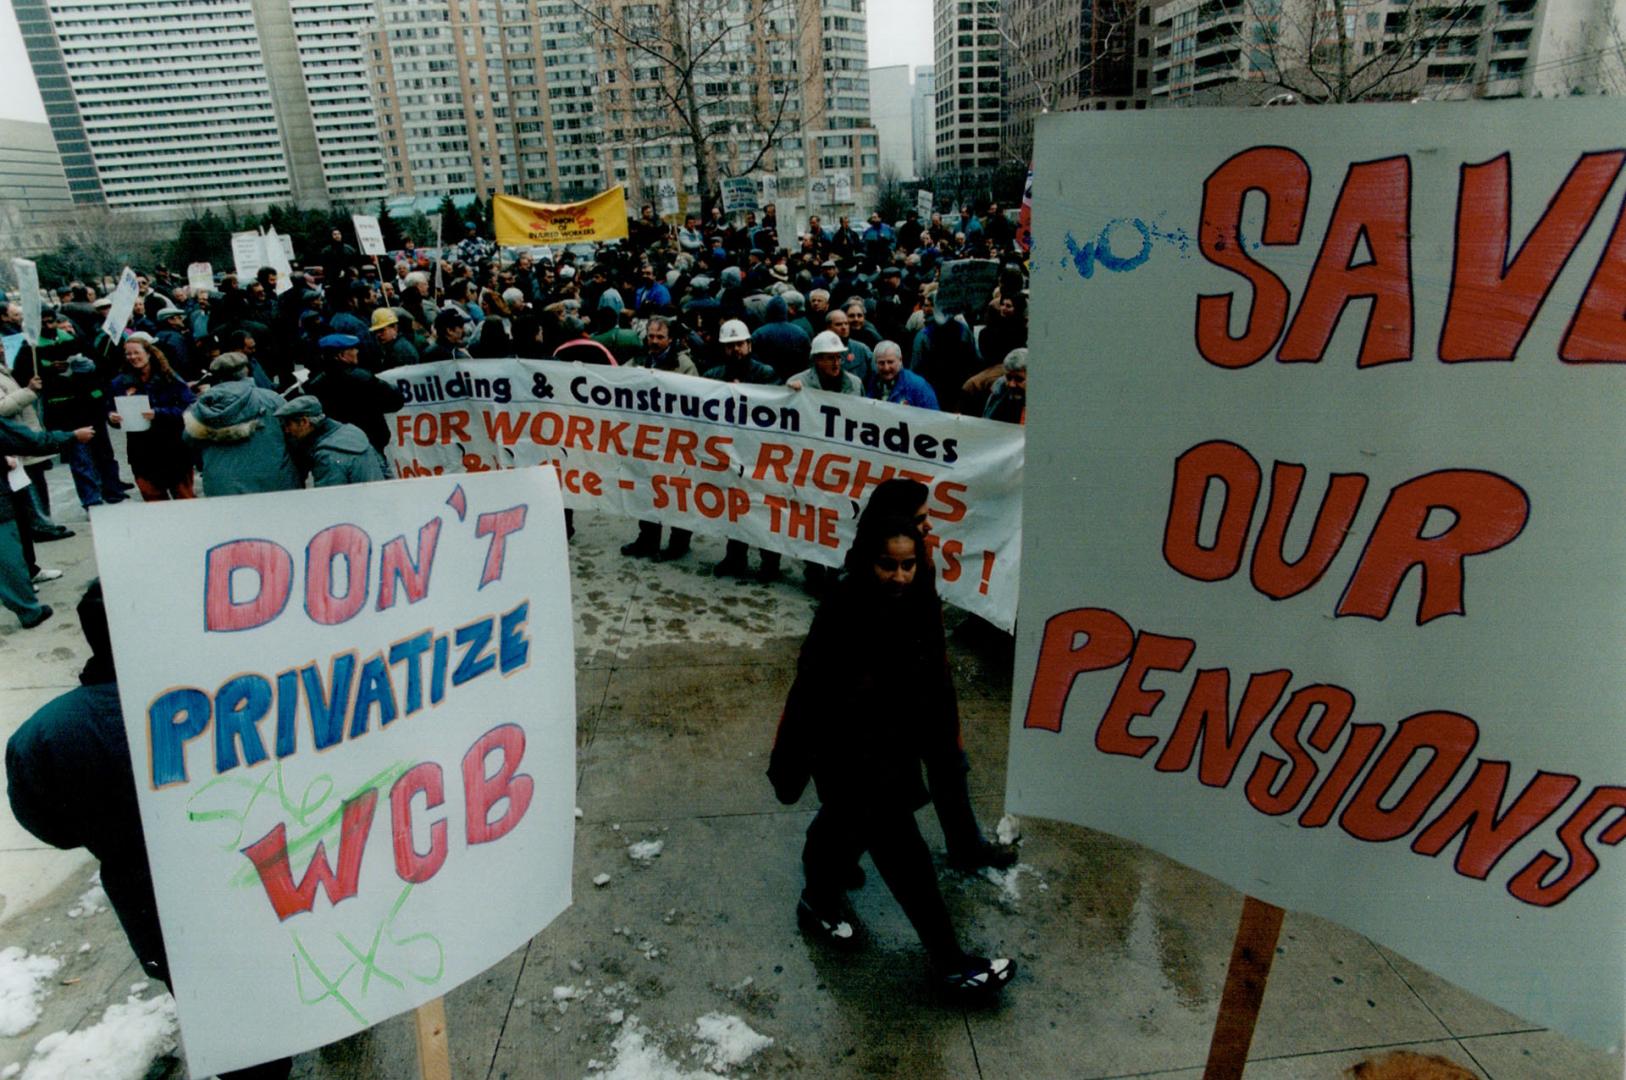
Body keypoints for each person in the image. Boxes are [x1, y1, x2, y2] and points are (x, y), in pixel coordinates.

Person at [7, 582, 296, 1079]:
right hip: (263, 877)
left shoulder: (49, 735)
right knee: (288, 971)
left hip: (155, 907)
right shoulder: (241, 696)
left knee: (225, 1017)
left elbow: (52, 826)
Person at [768, 514, 1016, 999]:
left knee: (841, 830)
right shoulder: (843, 609)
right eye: (887, 565)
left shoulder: (915, 603)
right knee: (902, 850)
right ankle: (949, 962)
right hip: (847, 753)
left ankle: (818, 898)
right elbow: (809, 693)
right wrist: (795, 760)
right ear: (867, 561)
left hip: (887, 749)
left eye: (908, 566)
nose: (899, 576)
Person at [703, 320, 781, 582]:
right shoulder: (714, 375)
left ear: (749, 344)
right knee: (733, 506)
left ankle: (770, 562)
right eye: (730, 346)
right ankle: (734, 557)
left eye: (739, 344)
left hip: (759, 452)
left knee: (762, 507)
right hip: (728, 451)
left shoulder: (765, 373)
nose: (735, 350)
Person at [182, 353, 300, 496]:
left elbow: (189, 440)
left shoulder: (201, 407)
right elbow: (294, 438)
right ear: (247, 371)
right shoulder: (272, 399)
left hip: (223, 485)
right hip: (274, 480)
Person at [106, 336, 196, 500]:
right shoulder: (119, 383)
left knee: (184, 497)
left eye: (136, 353)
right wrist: (112, 417)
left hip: (173, 447)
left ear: (148, 354)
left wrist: (159, 413)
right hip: (141, 450)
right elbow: (110, 409)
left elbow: (189, 406)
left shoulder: (169, 377)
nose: (132, 357)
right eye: (128, 354)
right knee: (153, 498)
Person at [305, 334, 405, 469]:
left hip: (333, 449)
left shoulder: (315, 384)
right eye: (352, 349)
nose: (357, 352)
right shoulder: (362, 378)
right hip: (368, 446)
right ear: (341, 355)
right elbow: (396, 401)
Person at [275, 396, 383, 486]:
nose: (286, 430)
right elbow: (384, 468)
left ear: (304, 422)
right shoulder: (352, 432)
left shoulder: (327, 456)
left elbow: (330, 501)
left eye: (288, 424)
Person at [867, 341, 938, 409]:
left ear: (900, 360)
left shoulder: (918, 386)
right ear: (875, 363)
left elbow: (933, 417)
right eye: (881, 363)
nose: (886, 368)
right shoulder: (873, 383)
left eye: (890, 362)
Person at [788, 331, 863, 395]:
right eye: (831, 358)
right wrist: (792, 392)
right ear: (817, 360)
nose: (836, 363)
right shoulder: (799, 383)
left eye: (838, 357)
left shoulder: (855, 383)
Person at [982, 348, 1027, 424]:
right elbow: (988, 423)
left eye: (1019, 379)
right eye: (1008, 378)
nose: (1011, 384)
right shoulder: (1001, 387)